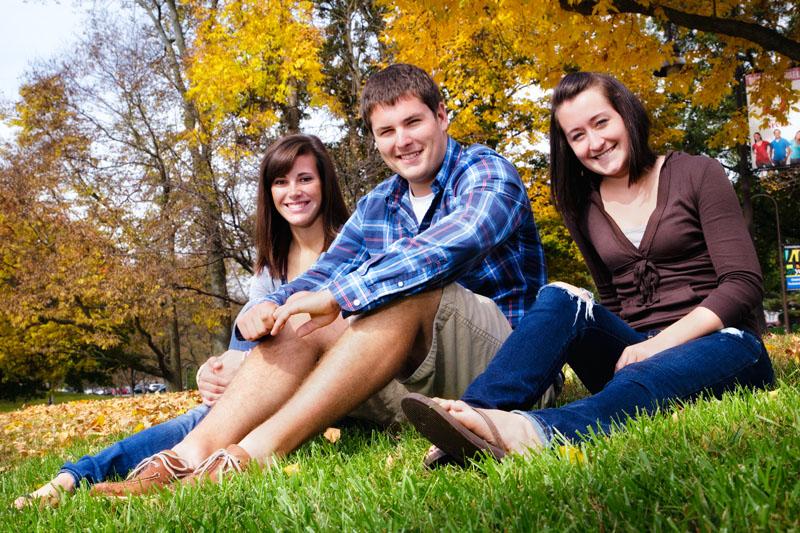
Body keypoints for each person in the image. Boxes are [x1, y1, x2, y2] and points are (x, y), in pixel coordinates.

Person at [89, 63, 549, 496]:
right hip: (422, 392)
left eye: (413, 123)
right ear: (374, 139)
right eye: (386, 131)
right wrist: (260, 317)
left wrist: (337, 295)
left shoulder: (486, 171)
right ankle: (187, 456)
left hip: (506, 368)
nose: (402, 140)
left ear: (442, 117)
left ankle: (253, 454)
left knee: (409, 287)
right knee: (301, 316)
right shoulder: (378, 205)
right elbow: (322, 277)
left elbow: (456, 242)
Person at [401, 72, 775, 465]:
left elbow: (743, 283)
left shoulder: (697, 173)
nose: (594, 143)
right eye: (577, 135)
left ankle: (534, 431)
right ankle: (470, 417)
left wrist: (657, 345)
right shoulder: (582, 205)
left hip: (725, 346)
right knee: (562, 297)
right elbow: (612, 299)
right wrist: (624, 340)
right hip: (634, 350)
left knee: (640, 378)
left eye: (601, 123)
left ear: (626, 115)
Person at [13, 133, 351, 508]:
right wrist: (217, 368)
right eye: (281, 181)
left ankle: (82, 473)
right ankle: (77, 476)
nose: (294, 191)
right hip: (270, 383)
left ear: (325, 183)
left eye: (305, 178)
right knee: (209, 408)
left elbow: (354, 344)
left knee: (205, 417)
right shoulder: (271, 268)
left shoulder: (350, 249)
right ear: (269, 192)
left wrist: (243, 365)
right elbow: (251, 348)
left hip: (325, 388)